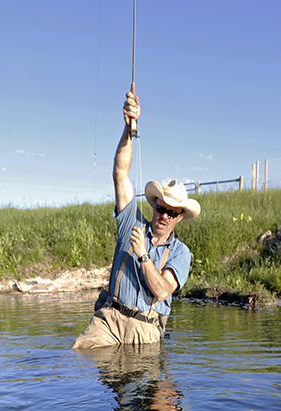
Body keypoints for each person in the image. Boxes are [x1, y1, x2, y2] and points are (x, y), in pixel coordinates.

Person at [72, 91, 200, 350]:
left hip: (145, 331)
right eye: (161, 208)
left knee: (135, 387)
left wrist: (143, 255)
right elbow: (120, 173)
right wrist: (128, 128)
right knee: (77, 359)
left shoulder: (180, 252)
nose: (164, 215)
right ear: (154, 205)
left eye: (172, 213)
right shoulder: (132, 222)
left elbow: (163, 290)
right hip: (108, 321)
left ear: (180, 217)